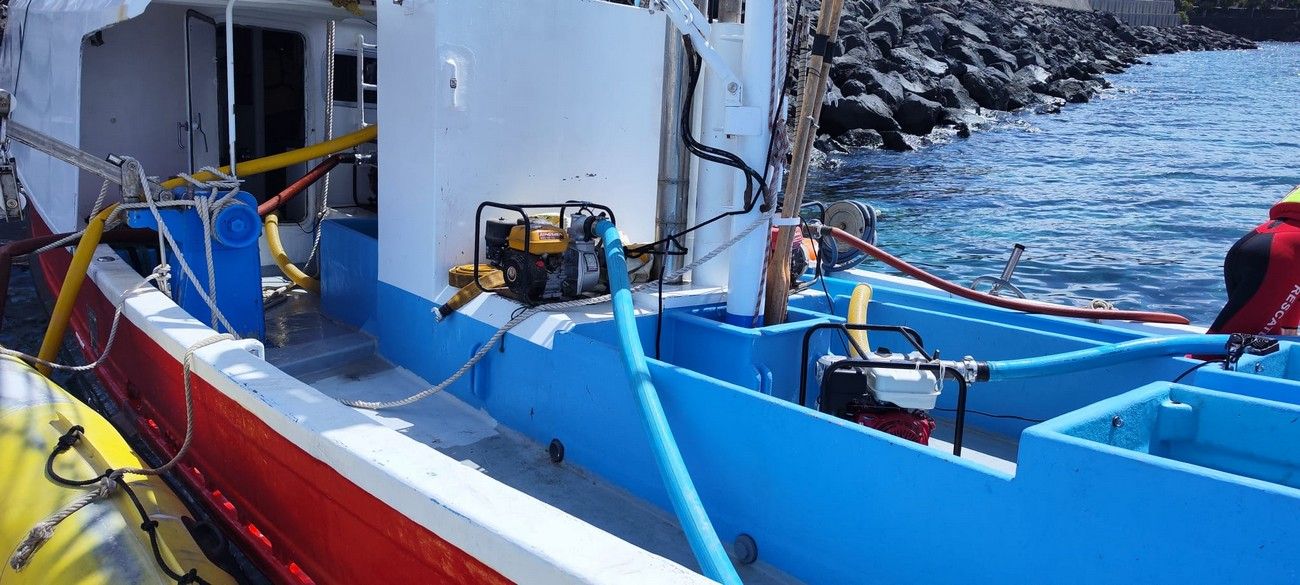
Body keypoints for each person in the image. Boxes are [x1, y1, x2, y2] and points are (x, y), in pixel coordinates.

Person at [1208, 185, 1300, 335]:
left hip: (1257, 241)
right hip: (1282, 258)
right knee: (1230, 344)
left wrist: (1289, 332)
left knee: (1259, 342)